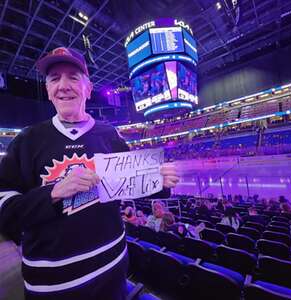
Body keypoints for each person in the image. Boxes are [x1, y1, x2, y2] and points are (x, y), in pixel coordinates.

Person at [0, 47, 180, 300]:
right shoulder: (26, 141)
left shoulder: (110, 135)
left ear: (88, 87)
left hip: (113, 270)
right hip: (52, 286)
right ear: (48, 91)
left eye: (73, 77)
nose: (63, 85)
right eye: (54, 78)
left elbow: (131, 185)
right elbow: (5, 213)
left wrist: (160, 182)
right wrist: (53, 192)